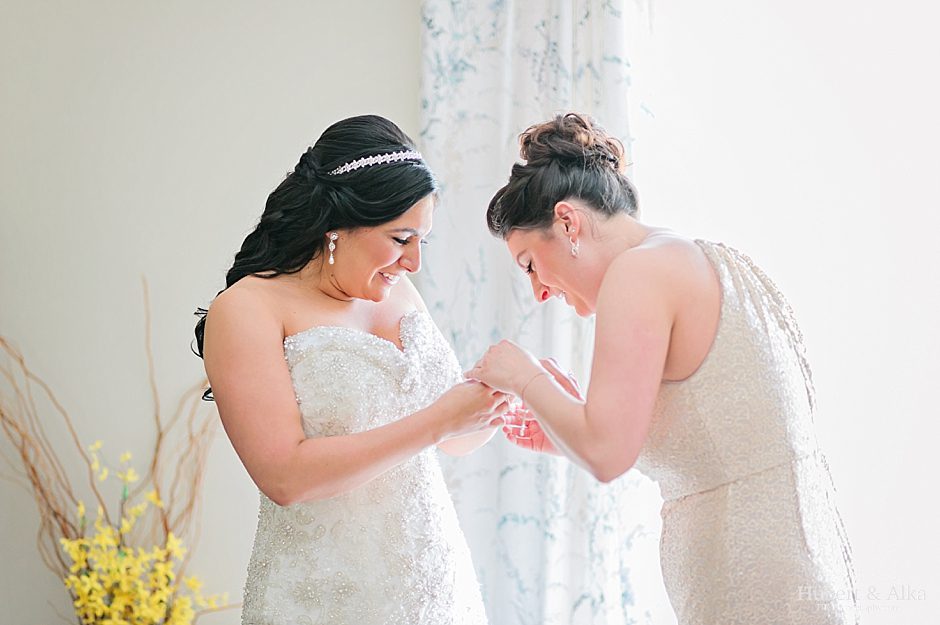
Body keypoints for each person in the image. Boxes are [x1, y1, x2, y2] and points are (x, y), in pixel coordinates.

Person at [468, 113, 858, 623]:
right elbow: (709, 438)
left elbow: (606, 455)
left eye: (529, 265)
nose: (539, 291)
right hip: (789, 567)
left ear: (567, 223)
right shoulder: (692, 258)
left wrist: (524, 377)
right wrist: (569, 419)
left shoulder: (639, 273)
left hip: (750, 580)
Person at [194, 115, 506, 624]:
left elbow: (452, 439)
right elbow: (284, 477)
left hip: (436, 589)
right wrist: (439, 421)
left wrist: (501, 401)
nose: (413, 264)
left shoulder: (399, 292)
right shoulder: (247, 308)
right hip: (325, 598)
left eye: (421, 242)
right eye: (401, 238)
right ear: (337, 227)